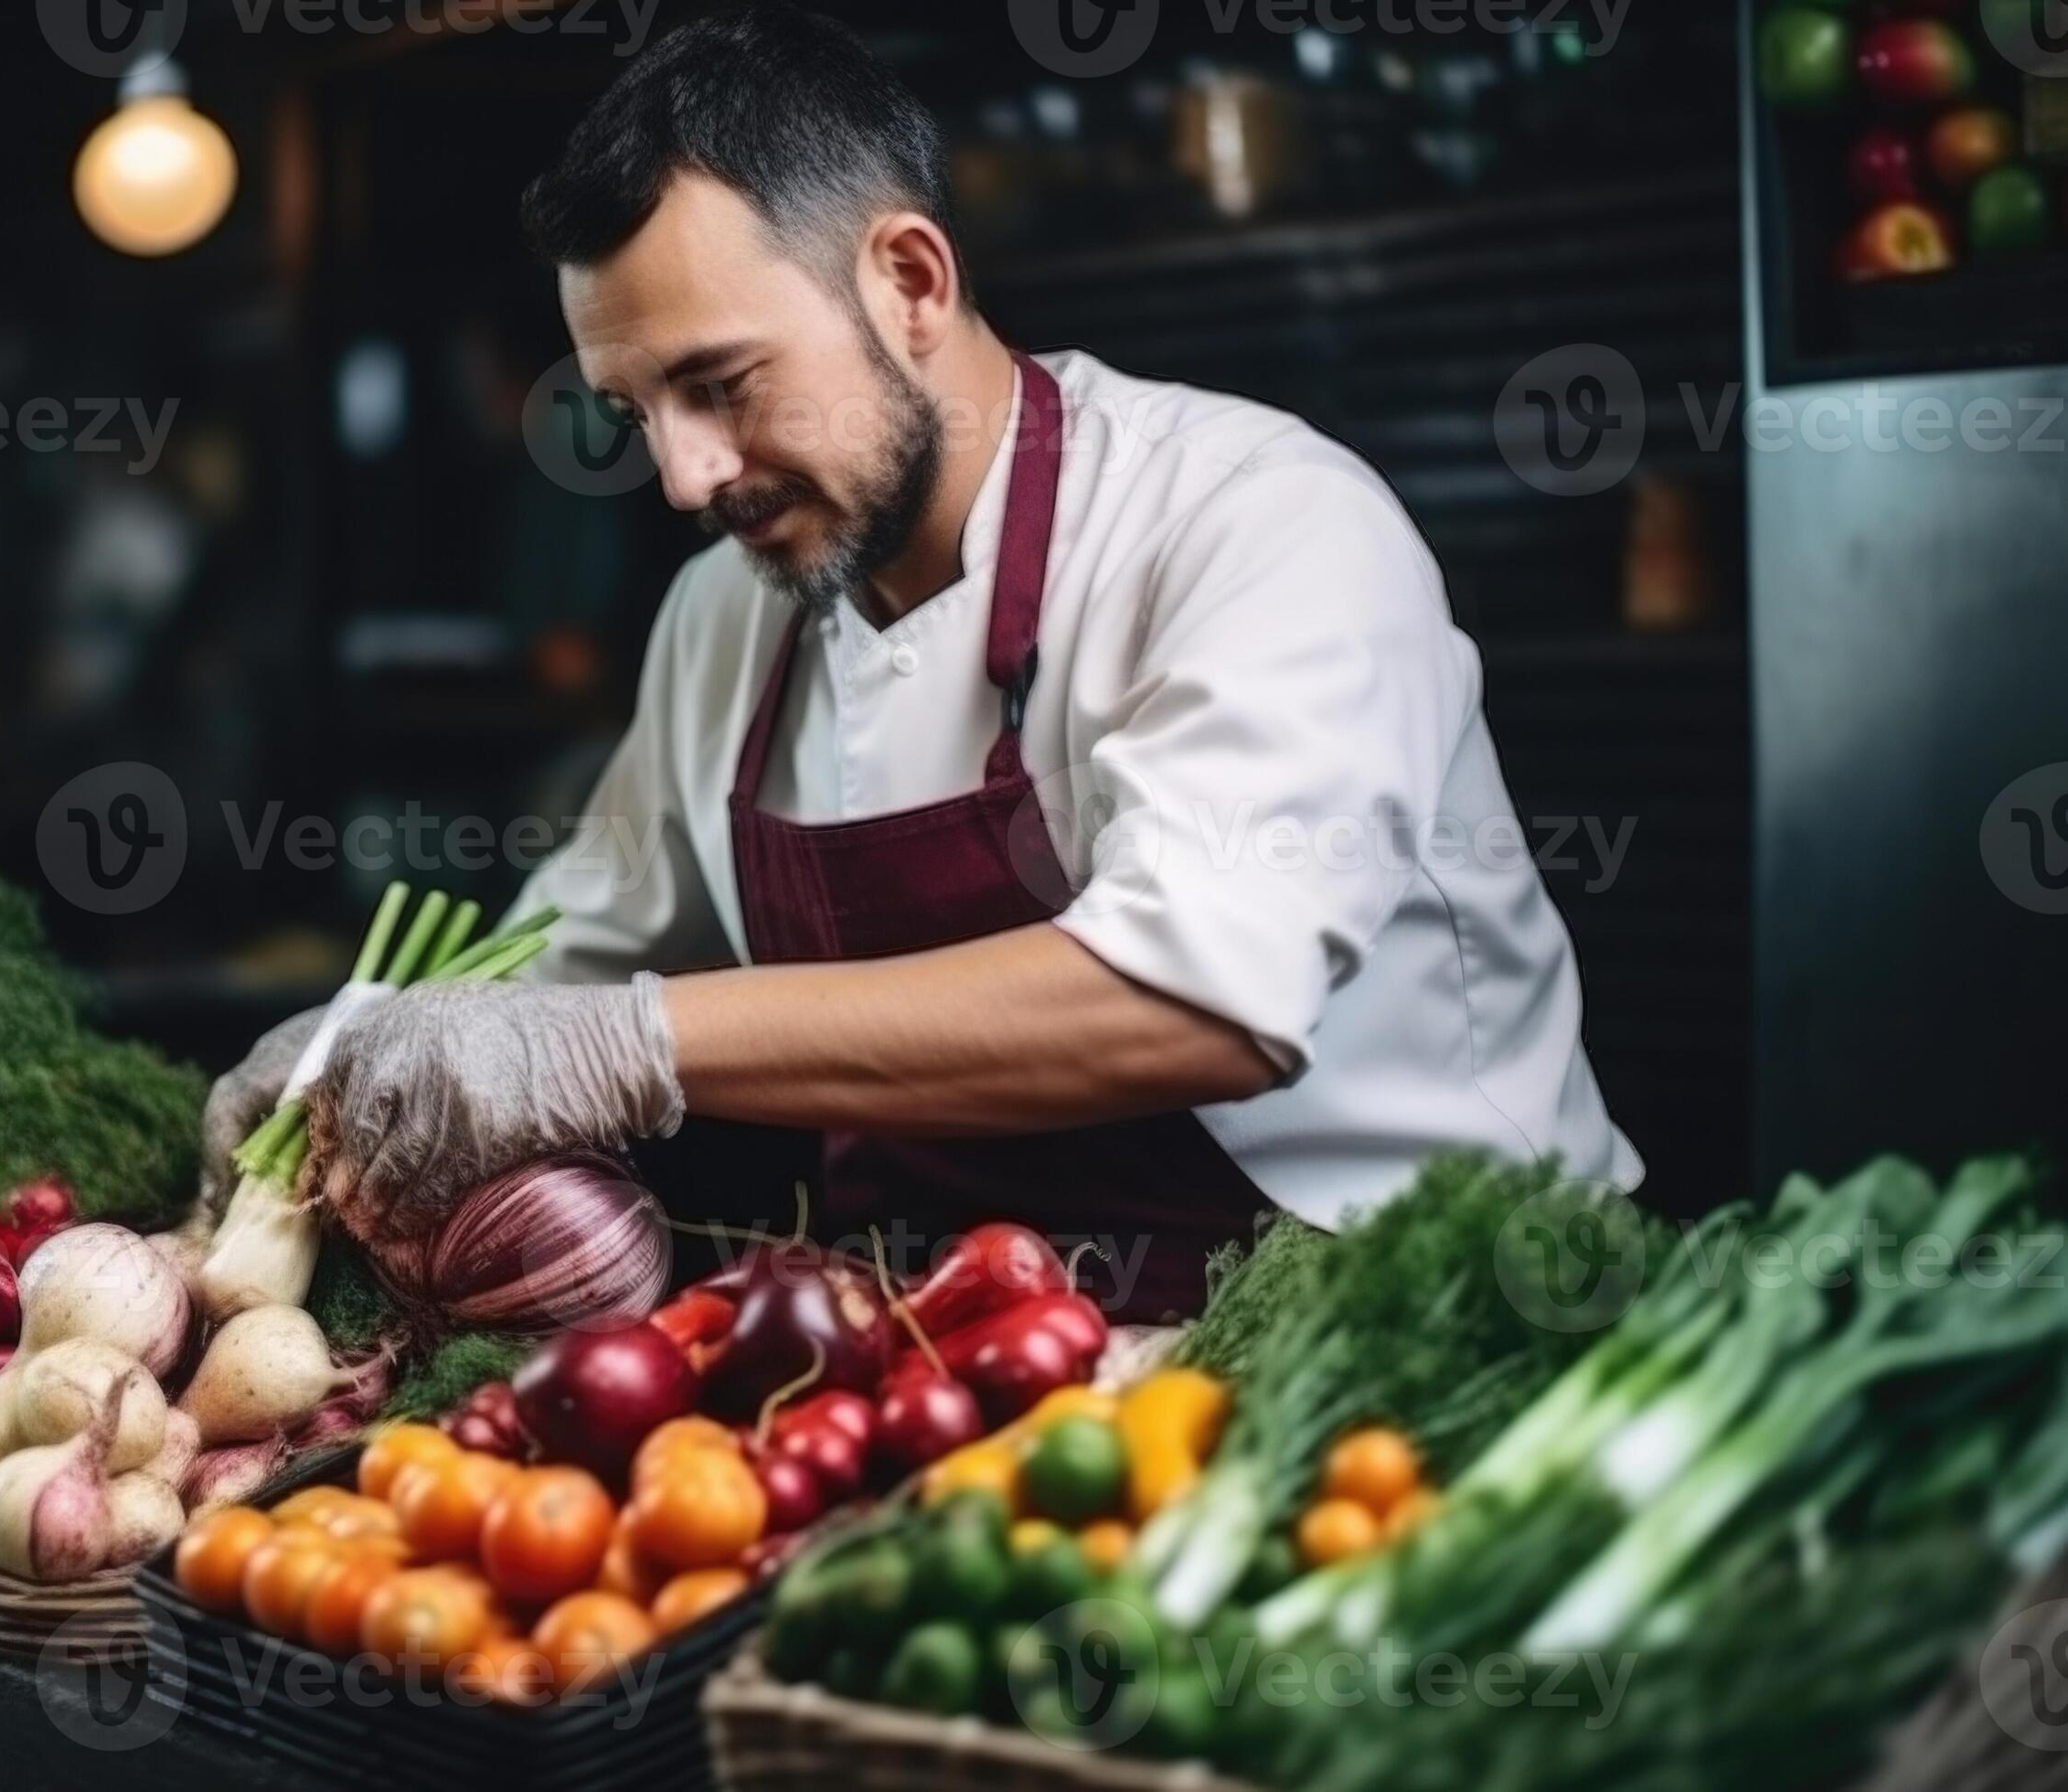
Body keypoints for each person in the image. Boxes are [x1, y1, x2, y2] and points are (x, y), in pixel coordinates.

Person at [204, 3, 1640, 1317]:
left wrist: (623, 1047)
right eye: (635, 412)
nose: (686, 477)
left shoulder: (1254, 521)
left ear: (909, 278)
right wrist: (363, 1052)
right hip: (963, 1354)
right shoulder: (725, 619)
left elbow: (1197, 1000)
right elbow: (584, 955)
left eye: (721, 384)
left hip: (1416, 1330)